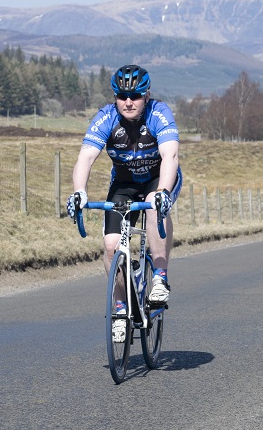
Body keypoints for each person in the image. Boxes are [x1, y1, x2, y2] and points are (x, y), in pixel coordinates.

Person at [67, 64, 182, 343]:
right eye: (121, 96)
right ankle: (120, 308)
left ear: (146, 95)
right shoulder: (106, 118)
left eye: (135, 96)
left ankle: (159, 278)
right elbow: (85, 157)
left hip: (158, 178)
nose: (128, 102)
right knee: (110, 245)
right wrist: (79, 191)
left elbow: (171, 155)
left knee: (155, 207)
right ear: (114, 97)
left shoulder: (159, 113)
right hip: (125, 183)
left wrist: (163, 190)